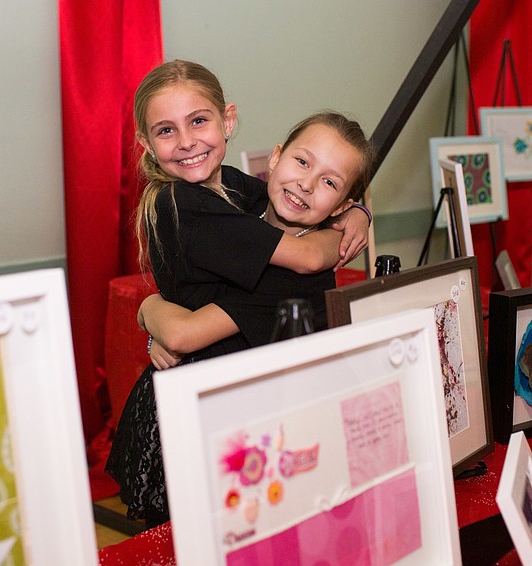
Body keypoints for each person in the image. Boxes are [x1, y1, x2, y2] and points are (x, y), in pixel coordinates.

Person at [105, 59, 372, 527]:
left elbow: (294, 199)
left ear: (227, 121)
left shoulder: (233, 186)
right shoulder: (181, 201)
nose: (187, 142)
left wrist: (358, 214)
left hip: (237, 403)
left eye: (199, 121)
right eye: (166, 130)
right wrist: (149, 310)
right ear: (146, 143)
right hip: (197, 410)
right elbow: (309, 259)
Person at [141, 111, 374, 368]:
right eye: (302, 161)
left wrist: (149, 307)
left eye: (329, 182)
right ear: (276, 157)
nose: (307, 184)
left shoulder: (294, 279)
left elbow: (180, 336)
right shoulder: (243, 200)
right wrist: (360, 213)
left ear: (340, 207)